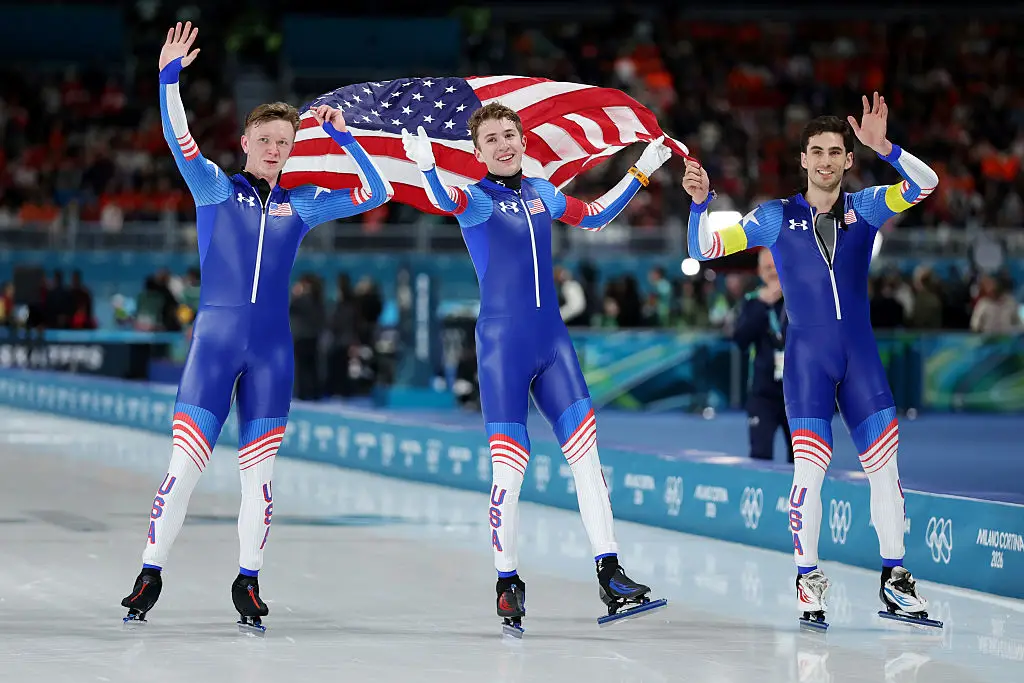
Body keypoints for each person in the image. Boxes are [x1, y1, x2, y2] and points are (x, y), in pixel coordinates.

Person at [120, 22, 392, 632]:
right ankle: (150, 572)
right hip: (214, 349)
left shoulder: (304, 203)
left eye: (283, 142)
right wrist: (168, 79)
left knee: (260, 481)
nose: (274, 148)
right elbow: (178, 138)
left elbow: (375, 192)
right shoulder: (214, 188)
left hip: (271, 354)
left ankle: (248, 581)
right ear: (245, 141)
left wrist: (346, 140)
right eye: (265, 139)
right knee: (182, 472)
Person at [401, 103, 672, 632]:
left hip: (553, 344)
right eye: (492, 139)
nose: (504, 144)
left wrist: (641, 170)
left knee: (588, 460)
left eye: (510, 134)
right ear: (478, 152)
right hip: (502, 348)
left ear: (523, 141)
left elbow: (594, 215)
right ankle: (507, 584)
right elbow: (443, 199)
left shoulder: (543, 191)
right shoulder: (476, 199)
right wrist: (427, 168)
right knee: (510, 470)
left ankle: (611, 573)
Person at [683, 93, 941, 629]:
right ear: (803, 159)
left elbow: (926, 184)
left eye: (835, 152)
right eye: (817, 151)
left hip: (861, 359)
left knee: (886, 470)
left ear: (849, 158)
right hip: (808, 363)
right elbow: (704, 250)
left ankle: (895, 578)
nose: (825, 161)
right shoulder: (774, 217)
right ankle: (808, 577)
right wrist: (701, 204)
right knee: (810, 471)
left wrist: (887, 149)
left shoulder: (867, 207)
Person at [733, 248, 792, 463]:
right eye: (767, 267)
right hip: (763, 394)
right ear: (759, 272)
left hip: (798, 394)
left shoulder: (800, 299)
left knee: (803, 460)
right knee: (759, 456)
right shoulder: (752, 302)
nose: (773, 271)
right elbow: (741, 339)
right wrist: (762, 304)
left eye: (776, 266)